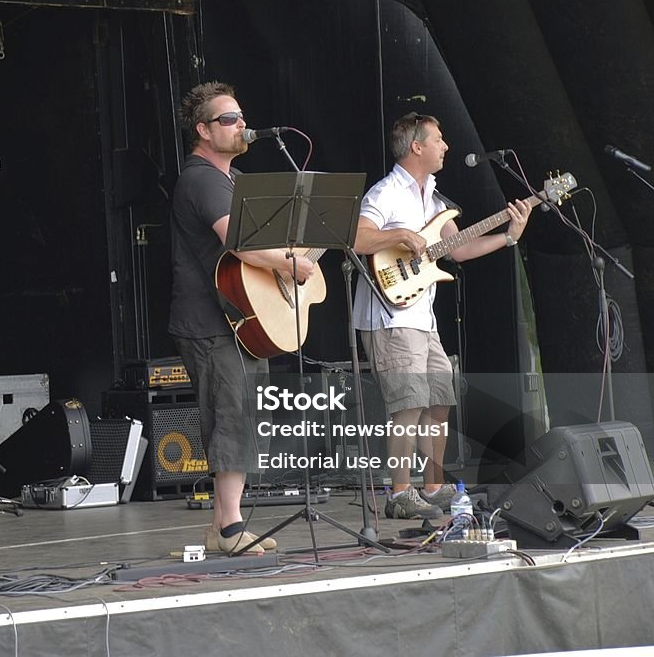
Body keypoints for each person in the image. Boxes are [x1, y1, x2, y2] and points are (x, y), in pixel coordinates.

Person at [353, 112, 532, 519]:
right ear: (416, 146)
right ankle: (400, 494)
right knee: (409, 403)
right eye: (438, 139)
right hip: (391, 315)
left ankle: (432, 486)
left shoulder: (434, 200)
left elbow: (458, 250)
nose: (445, 146)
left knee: (439, 400)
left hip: (423, 318)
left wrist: (509, 236)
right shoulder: (386, 193)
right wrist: (399, 235)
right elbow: (358, 238)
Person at [169, 82, 319, 552]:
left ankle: (221, 528)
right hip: (211, 321)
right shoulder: (202, 177)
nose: (241, 126)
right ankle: (231, 526)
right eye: (228, 119)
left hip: (235, 319)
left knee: (241, 415)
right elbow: (238, 241)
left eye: (240, 116)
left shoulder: (228, 179)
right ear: (203, 131)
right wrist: (289, 265)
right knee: (233, 417)